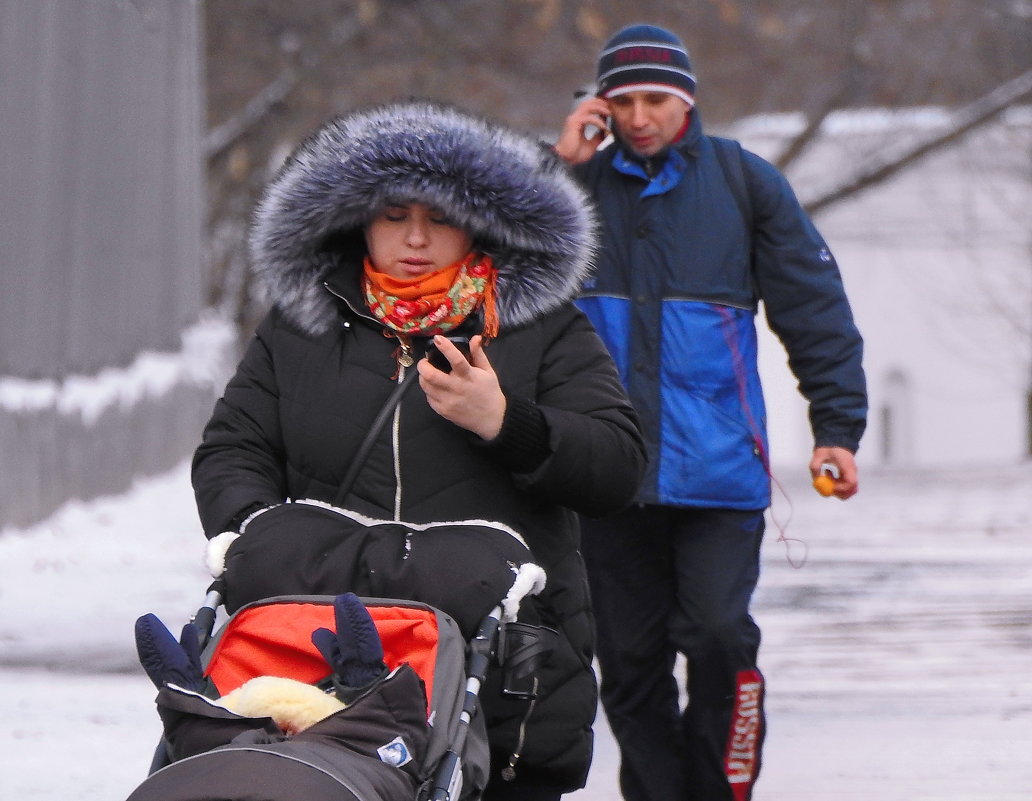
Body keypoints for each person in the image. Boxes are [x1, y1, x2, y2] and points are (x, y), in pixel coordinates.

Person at [190, 100, 647, 800]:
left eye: (440, 217)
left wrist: (506, 422)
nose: (415, 237)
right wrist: (255, 541)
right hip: (326, 663)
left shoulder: (539, 327)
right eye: (394, 215)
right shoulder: (303, 325)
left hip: (499, 669)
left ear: (479, 225)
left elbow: (617, 464)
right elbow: (233, 447)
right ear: (357, 221)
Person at [552, 23, 868, 801]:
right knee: (628, 662)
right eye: (620, 101)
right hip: (606, 477)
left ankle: (720, 789)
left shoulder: (742, 182)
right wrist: (554, 167)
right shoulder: (569, 192)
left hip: (719, 473)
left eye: (654, 99)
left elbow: (814, 309)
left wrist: (837, 429)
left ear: (686, 100)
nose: (638, 116)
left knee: (721, 636)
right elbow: (494, 266)